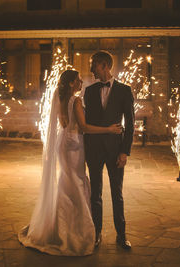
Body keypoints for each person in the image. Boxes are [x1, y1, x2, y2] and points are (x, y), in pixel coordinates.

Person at [18, 70, 122, 256]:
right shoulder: (76, 101)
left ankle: (59, 226)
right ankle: (72, 231)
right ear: (72, 83)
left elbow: (65, 124)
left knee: (67, 183)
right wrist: (108, 129)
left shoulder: (60, 99)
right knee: (76, 182)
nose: (82, 82)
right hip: (75, 144)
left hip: (64, 143)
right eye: (79, 80)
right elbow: (84, 127)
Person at [84, 51, 134, 249]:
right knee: (95, 193)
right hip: (94, 150)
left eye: (94, 65)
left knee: (117, 193)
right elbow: (86, 123)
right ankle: (96, 233)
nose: (91, 70)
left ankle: (121, 235)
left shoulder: (124, 90)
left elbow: (130, 124)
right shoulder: (89, 91)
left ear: (104, 65)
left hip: (115, 150)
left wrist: (125, 152)